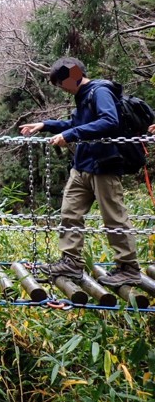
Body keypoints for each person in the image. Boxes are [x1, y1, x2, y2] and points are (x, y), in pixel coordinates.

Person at [20, 57, 142, 287]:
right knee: (70, 212)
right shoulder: (83, 96)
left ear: (72, 75)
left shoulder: (100, 91)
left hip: (105, 164)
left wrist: (71, 135)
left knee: (114, 217)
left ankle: (128, 267)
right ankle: (71, 262)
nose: (60, 88)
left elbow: (109, 122)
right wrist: (45, 125)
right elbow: (74, 123)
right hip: (83, 164)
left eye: (59, 82)